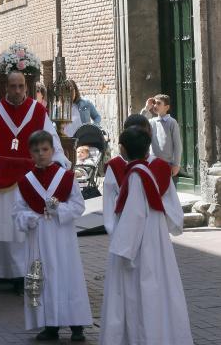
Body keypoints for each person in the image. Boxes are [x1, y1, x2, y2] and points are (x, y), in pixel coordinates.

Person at [0, 46, 67, 282]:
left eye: (21, 86)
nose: (17, 91)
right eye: (12, 86)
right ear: (5, 87)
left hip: (31, 180)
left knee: (26, 230)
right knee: (6, 227)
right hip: (3, 181)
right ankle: (4, 272)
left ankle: (26, 274)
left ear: (26, 88)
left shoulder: (38, 111)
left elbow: (52, 140)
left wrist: (57, 161)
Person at [100, 127, 193, 345]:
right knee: (158, 290)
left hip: (138, 246)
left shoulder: (135, 175)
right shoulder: (152, 171)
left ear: (122, 149)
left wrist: (122, 250)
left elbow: (135, 216)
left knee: (136, 294)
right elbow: (173, 212)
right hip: (157, 240)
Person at [13, 130, 92, 342]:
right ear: (30, 153)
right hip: (39, 237)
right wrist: (28, 218)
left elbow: (78, 205)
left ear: (53, 150)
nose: (41, 154)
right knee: (42, 278)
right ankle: (50, 325)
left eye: (45, 149)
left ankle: (77, 325)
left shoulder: (65, 178)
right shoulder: (25, 182)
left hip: (62, 236)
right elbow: (17, 212)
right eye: (36, 151)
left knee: (69, 277)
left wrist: (58, 209)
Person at [103, 114, 171, 236]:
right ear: (150, 135)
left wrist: (113, 229)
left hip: (125, 228)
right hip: (155, 229)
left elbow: (109, 203)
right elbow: (172, 208)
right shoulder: (161, 166)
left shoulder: (114, 165)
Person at [141, 94, 182, 179]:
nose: (155, 105)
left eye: (159, 103)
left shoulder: (172, 122)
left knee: (166, 189)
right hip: (152, 161)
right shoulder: (152, 121)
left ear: (166, 107)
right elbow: (140, 121)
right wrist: (146, 108)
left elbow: (177, 145)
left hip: (167, 163)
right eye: (154, 103)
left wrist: (176, 164)